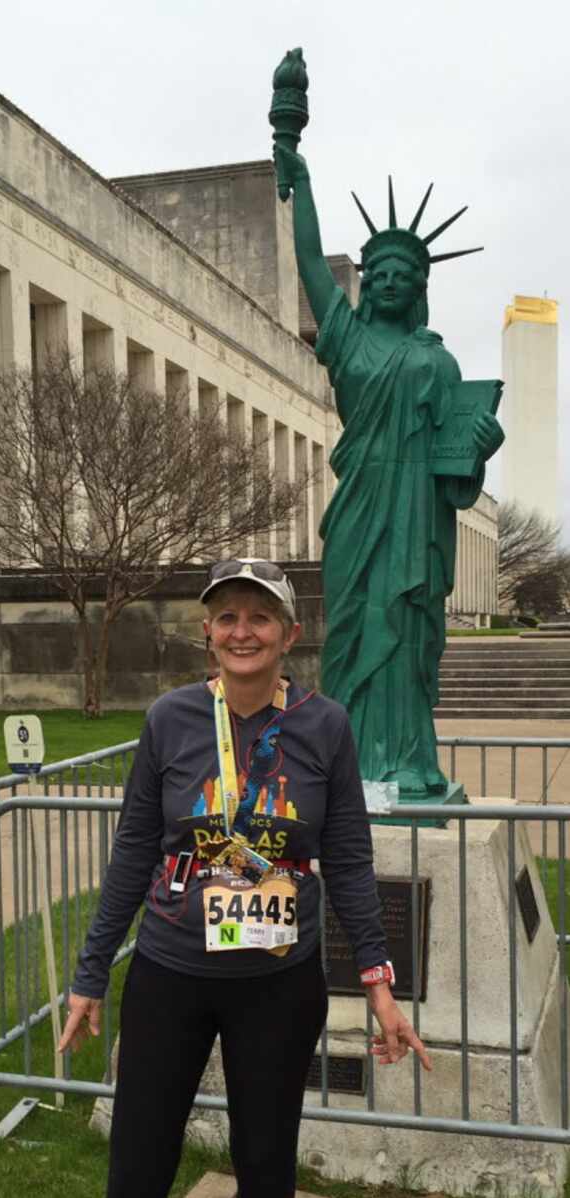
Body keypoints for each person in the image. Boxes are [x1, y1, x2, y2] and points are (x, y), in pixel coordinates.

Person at [42, 559, 431, 1198]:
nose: (243, 630)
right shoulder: (171, 719)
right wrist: (87, 976)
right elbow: (133, 855)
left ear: (291, 636)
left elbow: (353, 861)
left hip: (276, 986)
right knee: (139, 1165)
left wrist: (378, 982)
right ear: (207, 633)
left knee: (264, 1162)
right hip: (171, 972)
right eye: (228, 617)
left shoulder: (325, 726)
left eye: (262, 617)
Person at [274, 147, 505, 798]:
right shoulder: (345, 339)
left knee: (405, 638)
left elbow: (454, 464)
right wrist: (302, 180)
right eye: (378, 270)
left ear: (420, 287)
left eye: (403, 273)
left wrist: (482, 445)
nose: (388, 281)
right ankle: (343, 771)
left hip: (417, 518)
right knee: (348, 636)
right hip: (360, 508)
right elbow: (313, 264)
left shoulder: (440, 363)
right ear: (365, 280)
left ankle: (407, 765)